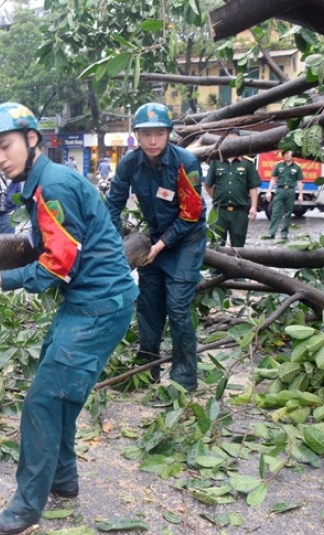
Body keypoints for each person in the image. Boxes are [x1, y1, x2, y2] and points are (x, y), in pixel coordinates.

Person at [0, 102, 138, 535]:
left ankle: (27, 507)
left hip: (98, 307)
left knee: (43, 401)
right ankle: (64, 479)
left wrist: (0, 279)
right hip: (90, 303)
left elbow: (56, 267)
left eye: (5, 146)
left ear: (31, 139)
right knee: (57, 386)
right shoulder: (41, 184)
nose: (0, 159)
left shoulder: (55, 185)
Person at [106, 102, 207, 391]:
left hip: (187, 240)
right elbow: (112, 204)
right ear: (137, 135)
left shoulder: (185, 163)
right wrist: (115, 246)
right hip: (155, 238)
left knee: (176, 306)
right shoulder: (128, 164)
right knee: (148, 304)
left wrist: (161, 245)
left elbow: (191, 215)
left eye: (159, 134)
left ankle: (184, 379)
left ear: (168, 134)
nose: (152, 140)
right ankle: (147, 369)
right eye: (146, 133)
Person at [203, 130, 260, 247]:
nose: (232, 144)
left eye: (235, 141)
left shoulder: (247, 163)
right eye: (229, 141)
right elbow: (207, 185)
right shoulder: (216, 162)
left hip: (239, 213)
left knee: (238, 247)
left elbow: (253, 187)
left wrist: (253, 207)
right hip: (219, 213)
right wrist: (217, 197)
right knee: (216, 246)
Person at [264, 151, 304, 241]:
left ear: (292, 155)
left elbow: (299, 181)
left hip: (290, 190)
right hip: (280, 190)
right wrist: (269, 191)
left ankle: (284, 233)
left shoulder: (297, 167)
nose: (287, 155)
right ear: (283, 155)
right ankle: (271, 233)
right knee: (275, 212)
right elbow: (273, 178)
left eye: (289, 153)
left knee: (288, 213)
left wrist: (301, 194)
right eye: (285, 154)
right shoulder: (278, 165)